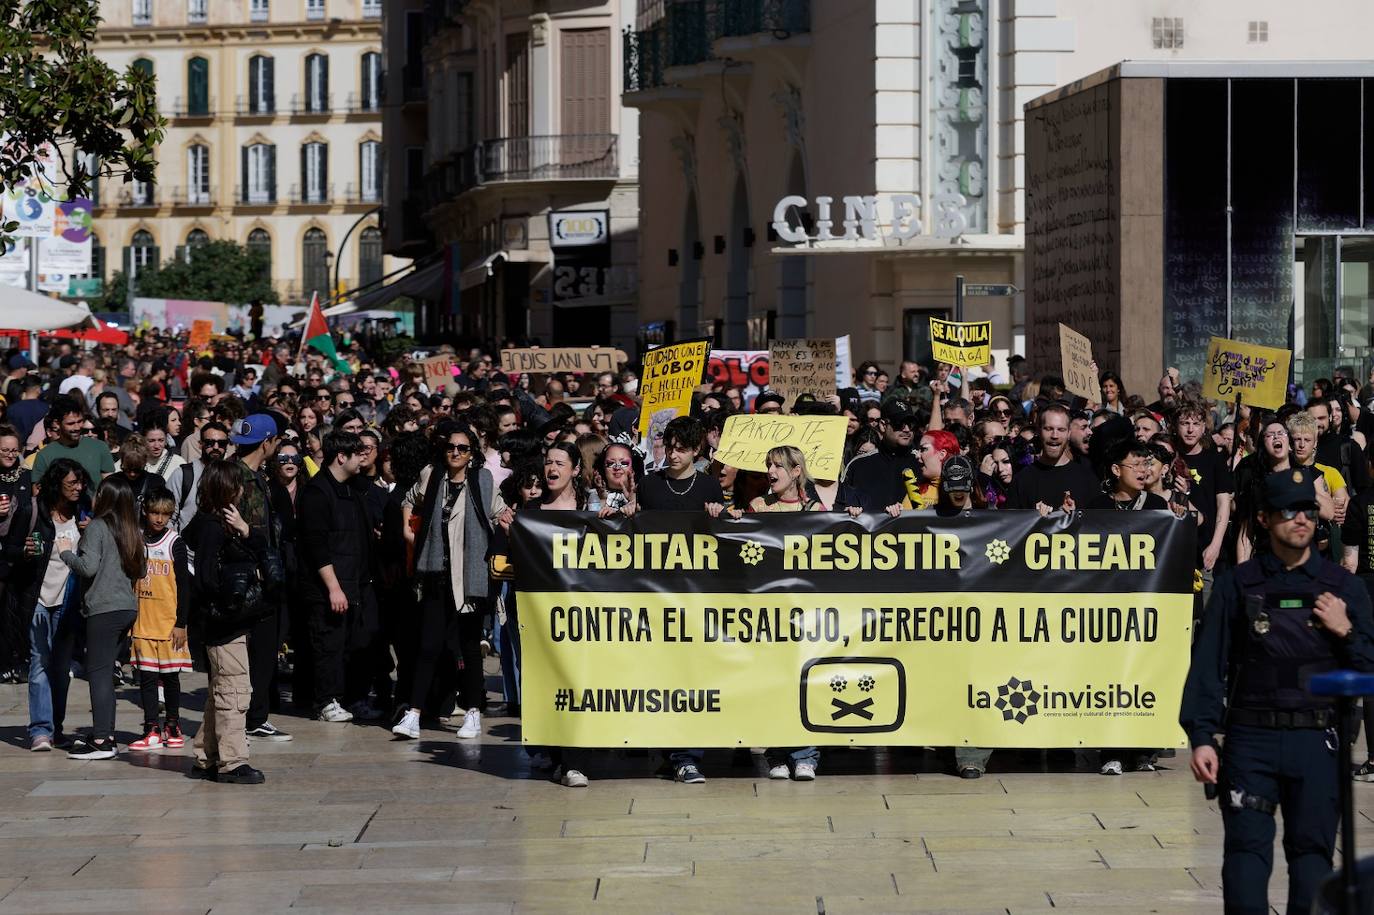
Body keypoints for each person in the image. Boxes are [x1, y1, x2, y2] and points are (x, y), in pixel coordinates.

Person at [1182, 470, 1374, 915]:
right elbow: (1209, 664)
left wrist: (1346, 631)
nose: (1300, 520)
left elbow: (1368, 667)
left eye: (1307, 509)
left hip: (1318, 742)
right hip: (1252, 741)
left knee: (1312, 858)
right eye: (1288, 511)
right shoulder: (1237, 585)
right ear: (1265, 519)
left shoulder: (1343, 588)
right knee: (1246, 857)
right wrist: (1203, 736)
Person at [395, 421, 505, 741]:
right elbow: (408, 499)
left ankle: (472, 711)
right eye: (451, 447)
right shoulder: (431, 477)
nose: (455, 453)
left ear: (472, 454)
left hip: (469, 578)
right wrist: (407, 528)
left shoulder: (482, 481)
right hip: (434, 575)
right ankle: (413, 713)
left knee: (469, 646)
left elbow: (500, 514)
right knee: (428, 645)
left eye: (463, 448)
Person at [182, 461, 268, 785]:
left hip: (217, 623)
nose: (243, 490)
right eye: (238, 484)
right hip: (223, 624)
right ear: (226, 489)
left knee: (218, 691)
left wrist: (245, 530)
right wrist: (233, 593)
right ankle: (232, 762)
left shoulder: (212, 523)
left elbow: (262, 549)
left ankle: (206, 756)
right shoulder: (212, 528)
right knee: (234, 689)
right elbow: (205, 579)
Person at [58, 474, 144, 760]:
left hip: (104, 609)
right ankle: (105, 733)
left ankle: (102, 739)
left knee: (98, 675)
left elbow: (88, 567)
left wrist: (66, 553)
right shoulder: (131, 529)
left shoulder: (97, 526)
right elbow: (140, 570)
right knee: (106, 672)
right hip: (126, 608)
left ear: (105, 499)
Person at [5, 459, 90, 751]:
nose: (78, 488)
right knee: (40, 663)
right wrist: (25, 550)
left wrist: (91, 530)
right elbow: (9, 550)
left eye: (80, 483)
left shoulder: (83, 512)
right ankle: (40, 730)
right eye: (72, 483)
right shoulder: (32, 512)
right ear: (57, 485)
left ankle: (57, 728)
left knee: (61, 667)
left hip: (68, 602)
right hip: (37, 599)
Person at [297, 430, 375, 723]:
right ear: (341, 456)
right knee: (327, 645)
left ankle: (348, 698)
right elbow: (316, 545)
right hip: (327, 588)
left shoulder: (353, 489)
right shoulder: (317, 492)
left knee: (350, 646)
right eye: (357, 453)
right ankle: (326, 701)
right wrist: (334, 588)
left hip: (355, 582)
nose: (363, 457)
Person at [127, 489, 193, 753]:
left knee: (171, 678)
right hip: (143, 623)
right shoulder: (138, 540)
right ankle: (151, 727)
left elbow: (185, 587)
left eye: (165, 514)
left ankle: (173, 725)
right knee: (147, 678)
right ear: (146, 512)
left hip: (168, 625)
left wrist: (181, 622)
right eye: (155, 513)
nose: (159, 519)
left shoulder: (174, 542)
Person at [1005, 403, 1099, 512]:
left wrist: (1074, 517)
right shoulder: (1022, 480)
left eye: (1061, 429)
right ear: (1039, 431)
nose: (1055, 435)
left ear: (1069, 433)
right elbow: (1010, 525)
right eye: (1048, 429)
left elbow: (1098, 524)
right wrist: (1031, 518)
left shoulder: (1087, 478)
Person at [32, 395, 115, 484]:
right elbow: (38, 492)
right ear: (57, 424)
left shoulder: (99, 447)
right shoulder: (44, 455)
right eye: (70, 423)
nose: (77, 427)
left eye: (80, 421)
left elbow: (110, 487)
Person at [167, 421, 230, 530]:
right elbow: (167, 517)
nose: (216, 447)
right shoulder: (183, 474)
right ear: (201, 444)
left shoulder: (233, 475)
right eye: (210, 442)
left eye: (222, 443)